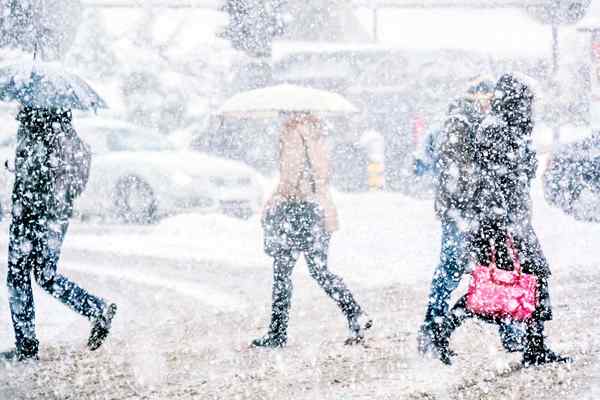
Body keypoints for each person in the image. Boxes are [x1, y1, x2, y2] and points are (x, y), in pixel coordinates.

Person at [431, 74, 571, 367]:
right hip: (500, 225)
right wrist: (500, 224)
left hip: (511, 222)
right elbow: (498, 180)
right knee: (491, 287)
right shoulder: (495, 130)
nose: (531, 109)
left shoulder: (509, 129)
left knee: (527, 280)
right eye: (527, 103)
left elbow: (518, 174)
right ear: (515, 102)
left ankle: (535, 345)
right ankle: (442, 331)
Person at [417, 78, 525, 358]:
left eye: (491, 95)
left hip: (480, 211)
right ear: (472, 96)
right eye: (483, 95)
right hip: (462, 212)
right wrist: (477, 194)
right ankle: (432, 329)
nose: (488, 100)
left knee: (499, 269)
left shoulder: (488, 123)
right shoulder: (460, 122)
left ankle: (511, 332)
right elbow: (456, 171)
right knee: (453, 267)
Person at [1, 107, 117, 362]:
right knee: (44, 275)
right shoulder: (64, 131)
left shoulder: (40, 129)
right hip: (52, 215)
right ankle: (96, 309)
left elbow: (42, 171)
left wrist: (26, 169)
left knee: (20, 277)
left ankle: (27, 347)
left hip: (34, 213)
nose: (20, 107)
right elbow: (69, 180)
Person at [252, 112, 371, 348]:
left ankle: (277, 333)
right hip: (320, 208)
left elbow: (290, 176)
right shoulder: (317, 133)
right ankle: (355, 313)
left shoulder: (291, 132)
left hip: (296, 210)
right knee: (320, 270)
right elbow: (323, 173)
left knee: (282, 272)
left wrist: (277, 198)